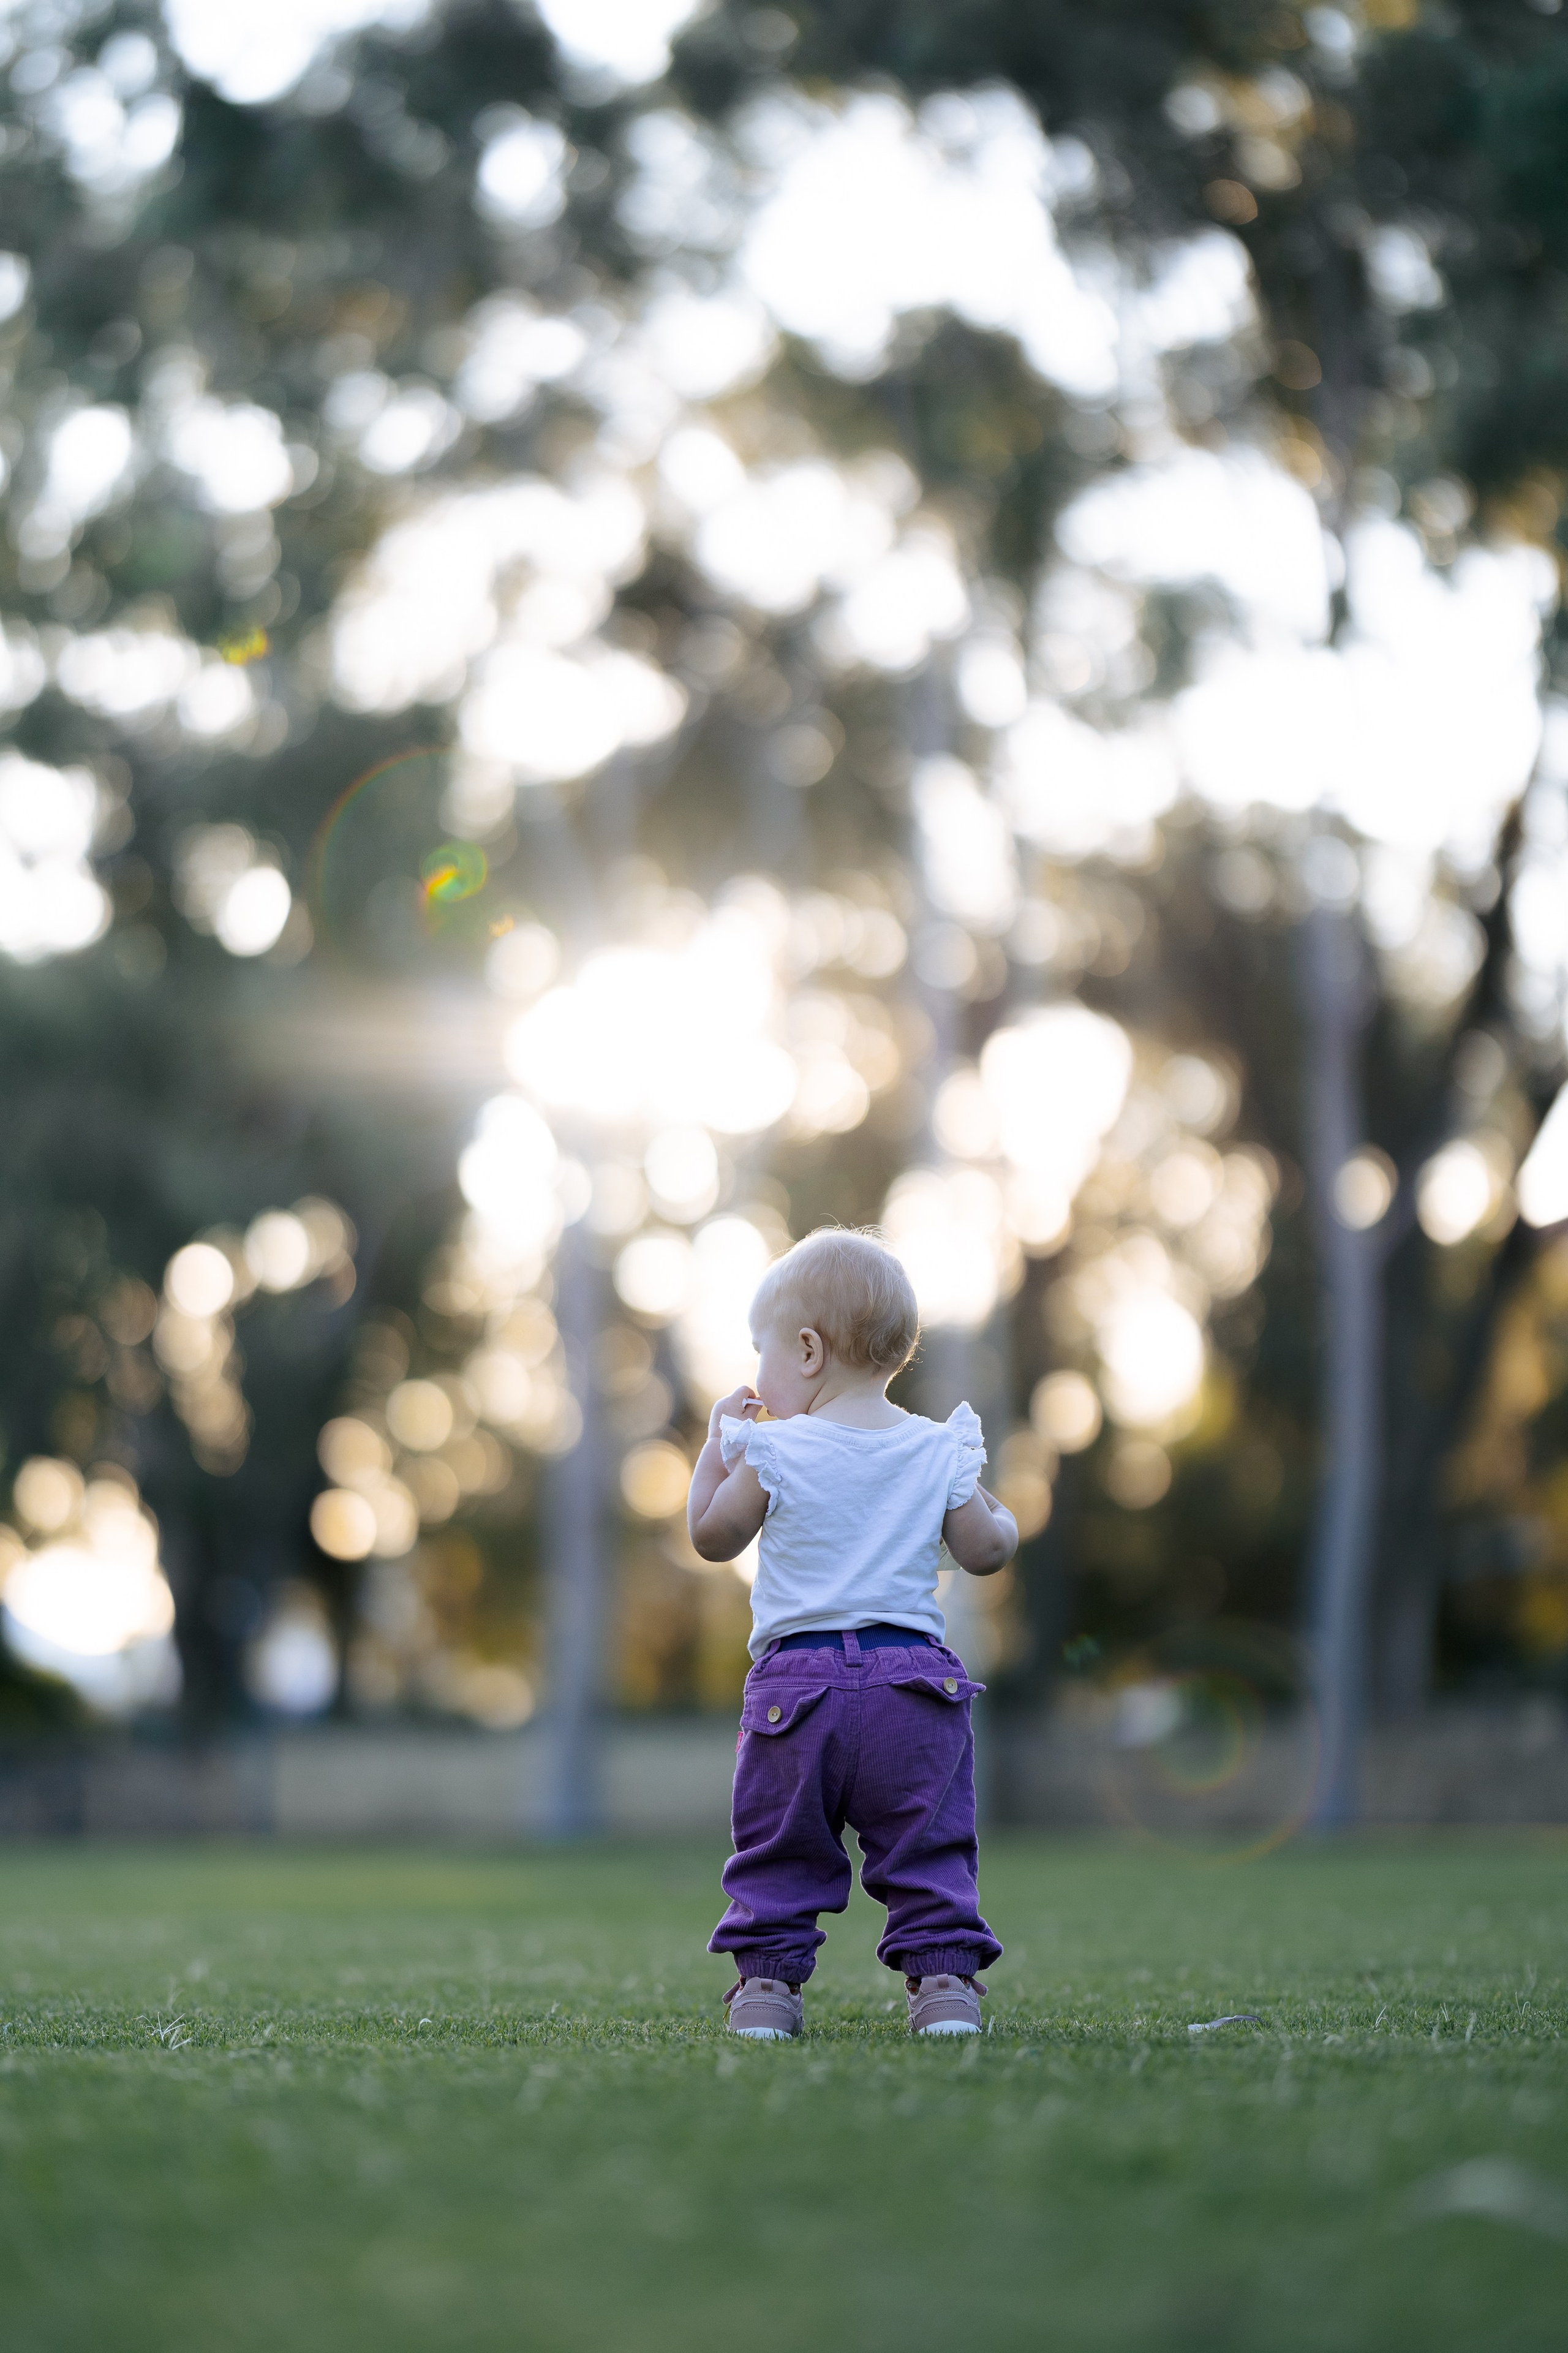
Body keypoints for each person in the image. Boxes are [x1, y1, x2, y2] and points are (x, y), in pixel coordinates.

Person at [686, 1227, 1018, 2040]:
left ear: (805, 1349)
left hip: (798, 1690)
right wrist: (998, 1510)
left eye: (759, 1351)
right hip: (915, 1687)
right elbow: (985, 1549)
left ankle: (766, 1991)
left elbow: (711, 1534)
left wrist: (712, 1451)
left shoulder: (771, 1449)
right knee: (928, 1844)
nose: (756, 1374)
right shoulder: (937, 1447)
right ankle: (944, 1988)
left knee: (780, 1846)